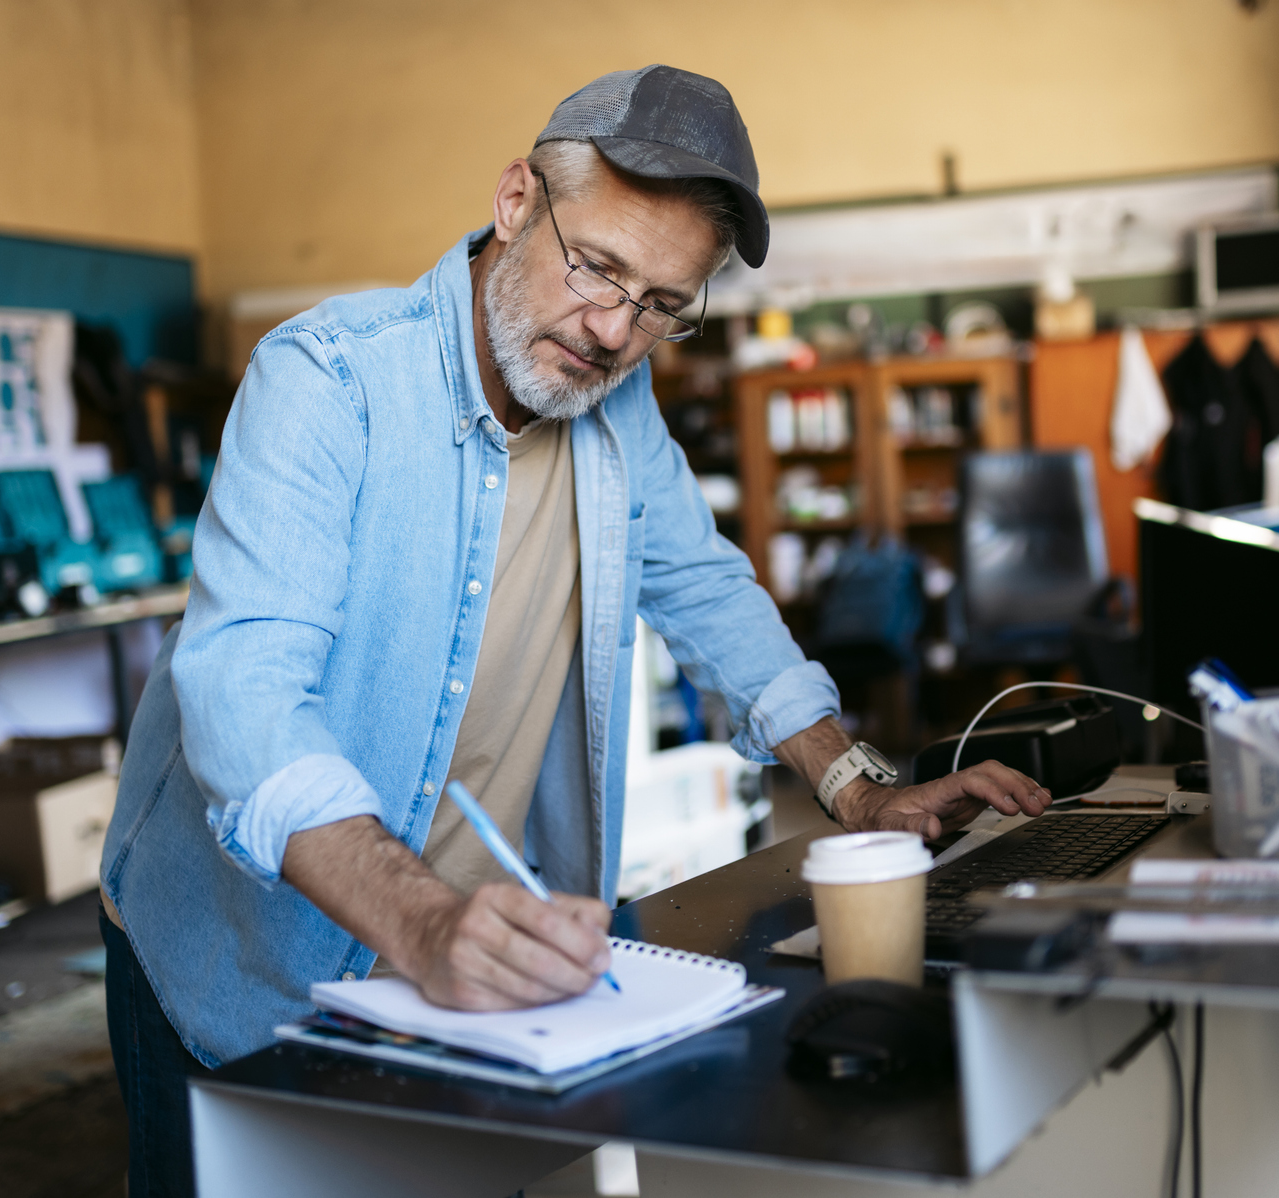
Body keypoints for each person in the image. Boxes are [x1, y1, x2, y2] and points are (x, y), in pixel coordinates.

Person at [99, 65, 1050, 1195]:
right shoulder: (327, 381)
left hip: (463, 961)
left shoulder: (613, 403)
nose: (611, 331)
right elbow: (242, 695)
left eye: (662, 305)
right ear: (514, 201)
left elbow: (704, 587)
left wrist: (854, 785)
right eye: (596, 267)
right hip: (240, 959)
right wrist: (423, 921)